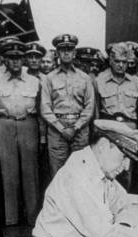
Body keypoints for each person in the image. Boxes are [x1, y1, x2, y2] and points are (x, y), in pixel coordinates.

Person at [0, 38, 41, 225]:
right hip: (5, 125)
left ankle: (32, 217)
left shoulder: (35, 81)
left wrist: (43, 137)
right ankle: (11, 218)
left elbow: (41, 110)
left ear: (24, 60)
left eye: (19, 58)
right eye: (11, 58)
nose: (15, 62)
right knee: (9, 173)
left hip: (28, 124)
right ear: (5, 60)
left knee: (30, 174)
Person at [95, 42, 138, 192]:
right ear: (110, 61)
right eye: (117, 62)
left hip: (129, 132)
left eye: (124, 62)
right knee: (107, 171)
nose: (120, 66)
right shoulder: (100, 81)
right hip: (108, 131)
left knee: (126, 172)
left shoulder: (137, 83)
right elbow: (96, 112)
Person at [41, 34, 95, 176]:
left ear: (74, 53)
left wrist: (76, 127)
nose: (66, 53)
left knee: (81, 174)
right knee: (58, 174)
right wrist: (61, 128)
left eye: (70, 49)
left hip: (80, 130)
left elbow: (89, 107)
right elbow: (45, 108)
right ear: (57, 53)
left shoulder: (84, 78)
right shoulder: (49, 78)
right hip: (57, 130)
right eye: (62, 49)